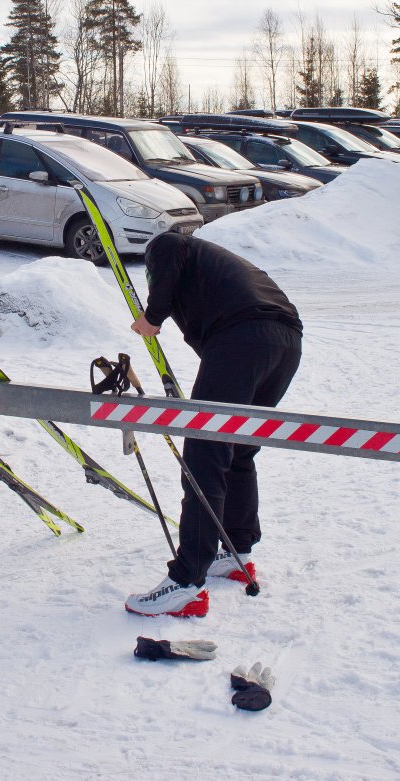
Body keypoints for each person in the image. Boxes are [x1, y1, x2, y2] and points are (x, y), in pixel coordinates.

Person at [123, 232, 303, 618]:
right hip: (287, 342)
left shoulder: (168, 245)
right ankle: (237, 551)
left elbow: (168, 250)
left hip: (243, 338)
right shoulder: (222, 267)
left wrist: (152, 316)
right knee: (237, 449)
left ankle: (187, 583)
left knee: (205, 452)